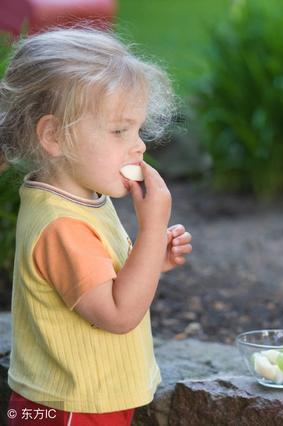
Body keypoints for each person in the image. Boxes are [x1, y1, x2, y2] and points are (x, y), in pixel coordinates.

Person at [0, 27, 192, 425]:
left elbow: (96, 282)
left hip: (83, 401)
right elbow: (118, 314)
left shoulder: (80, 197)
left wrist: (150, 257)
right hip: (67, 410)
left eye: (137, 128)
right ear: (54, 135)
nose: (139, 145)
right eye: (120, 130)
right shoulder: (62, 226)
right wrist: (152, 232)